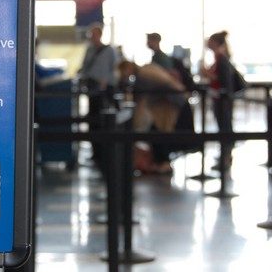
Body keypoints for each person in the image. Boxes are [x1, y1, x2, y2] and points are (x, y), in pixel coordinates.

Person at [118, 60, 189, 174]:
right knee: (158, 133)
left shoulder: (143, 75)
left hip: (173, 104)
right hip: (170, 103)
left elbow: (141, 100)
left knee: (160, 134)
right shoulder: (145, 71)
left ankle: (163, 163)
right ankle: (161, 162)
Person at [78, 24, 117, 170]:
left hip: (105, 91)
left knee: (104, 120)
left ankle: (105, 151)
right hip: (92, 89)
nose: (91, 37)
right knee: (93, 120)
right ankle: (95, 151)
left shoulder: (109, 51)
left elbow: (114, 68)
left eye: (94, 34)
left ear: (99, 35)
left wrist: (106, 82)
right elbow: (84, 67)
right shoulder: (89, 50)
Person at [200, 31, 235, 169]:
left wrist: (207, 73)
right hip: (220, 99)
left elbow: (222, 80)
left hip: (222, 99)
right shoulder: (220, 57)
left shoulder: (221, 58)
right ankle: (225, 156)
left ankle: (226, 158)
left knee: (224, 127)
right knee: (223, 127)